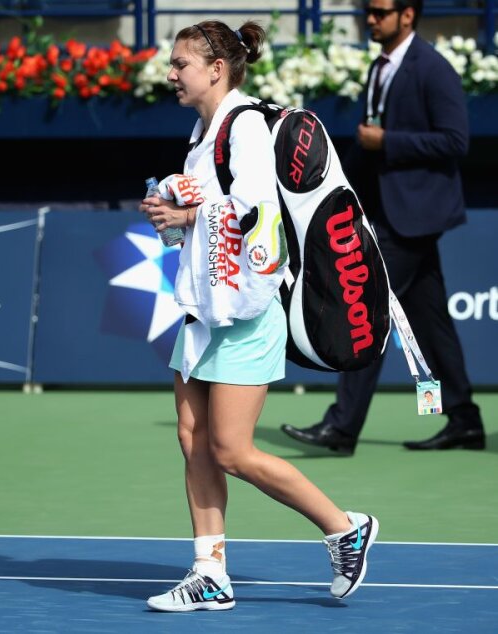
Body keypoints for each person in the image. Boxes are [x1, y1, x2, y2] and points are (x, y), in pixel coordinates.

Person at [139, 20, 379, 613]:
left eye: (181, 64)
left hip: (246, 312)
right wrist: (170, 208)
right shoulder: (203, 132)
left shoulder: (245, 125)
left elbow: (258, 213)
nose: (171, 74)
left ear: (216, 68)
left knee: (232, 450)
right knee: (193, 440)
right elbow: (209, 210)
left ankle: (344, 527)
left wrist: (188, 217)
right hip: (204, 309)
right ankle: (209, 571)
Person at [281, 0, 485, 455]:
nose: (370, 18)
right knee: (431, 324)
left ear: (407, 15)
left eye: (380, 11)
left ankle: (342, 427)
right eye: (367, 11)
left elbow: (456, 140)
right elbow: (366, 142)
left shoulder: (433, 68)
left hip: (413, 218)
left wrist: (387, 141)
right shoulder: (382, 66)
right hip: (389, 213)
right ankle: (465, 419)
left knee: (360, 309)